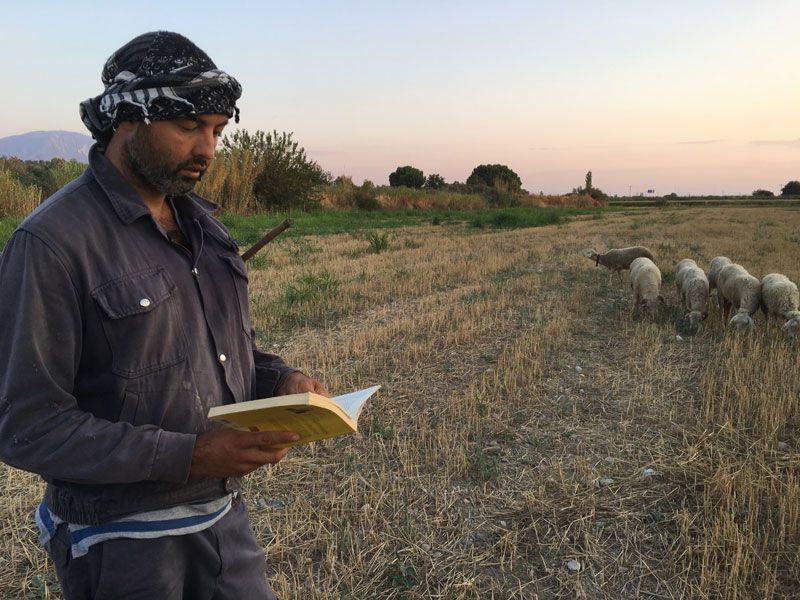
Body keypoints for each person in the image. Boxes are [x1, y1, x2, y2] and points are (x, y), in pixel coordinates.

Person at [0, 31, 328, 599]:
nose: (208, 149)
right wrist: (191, 454)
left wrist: (281, 380)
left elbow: (218, 349)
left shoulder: (205, 228)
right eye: (188, 126)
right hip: (122, 545)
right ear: (127, 119)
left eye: (217, 130)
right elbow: (27, 426)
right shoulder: (53, 243)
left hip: (224, 523)